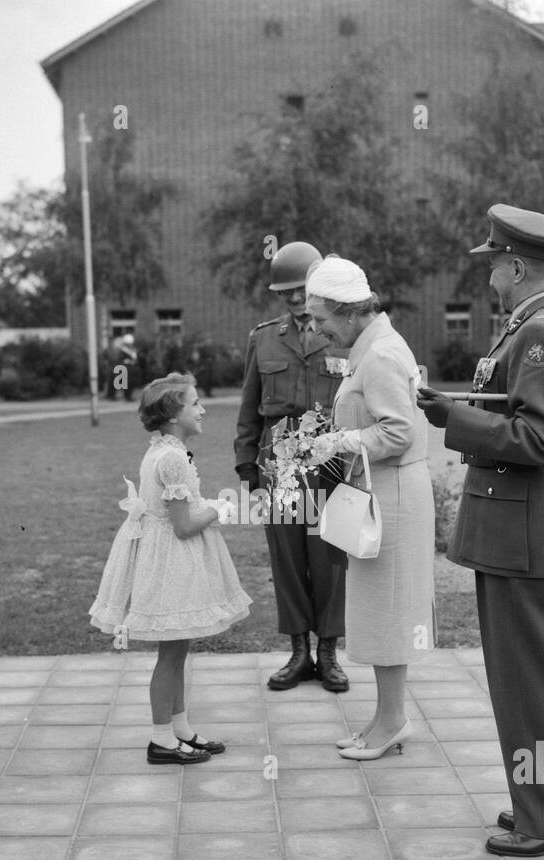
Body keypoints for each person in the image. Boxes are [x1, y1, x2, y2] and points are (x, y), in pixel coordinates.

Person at [417, 204, 544, 857]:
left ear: (517, 265)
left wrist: (454, 419)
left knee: (532, 678)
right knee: (541, 676)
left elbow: (541, 437)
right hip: (532, 524)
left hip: (529, 527)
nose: (488, 271)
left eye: (493, 260)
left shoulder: (543, 331)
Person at [306, 257, 435, 761]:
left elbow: (398, 431)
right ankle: (385, 717)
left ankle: (393, 721)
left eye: (321, 320)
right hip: (380, 491)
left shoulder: (380, 354)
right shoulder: (373, 347)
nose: (317, 331)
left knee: (390, 610)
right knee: (380, 611)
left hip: (394, 496)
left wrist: (341, 440)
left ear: (349, 311)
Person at [90, 372, 252, 764]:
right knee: (171, 654)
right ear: (172, 415)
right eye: (195, 403)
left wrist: (206, 505)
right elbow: (182, 526)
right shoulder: (173, 458)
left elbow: (174, 508)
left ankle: (180, 729)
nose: (203, 409)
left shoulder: (163, 451)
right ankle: (161, 738)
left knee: (178, 650)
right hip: (171, 564)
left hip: (167, 558)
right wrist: (222, 508)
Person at [234, 241, 350, 693]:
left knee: (330, 560)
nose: (296, 300)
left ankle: (328, 653)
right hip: (279, 466)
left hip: (332, 463)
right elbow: (248, 410)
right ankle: (299, 651)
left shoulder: (342, 333)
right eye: (287, 293)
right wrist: (247, 468)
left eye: (302, 290)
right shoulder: (263, 338)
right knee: (287, 559)